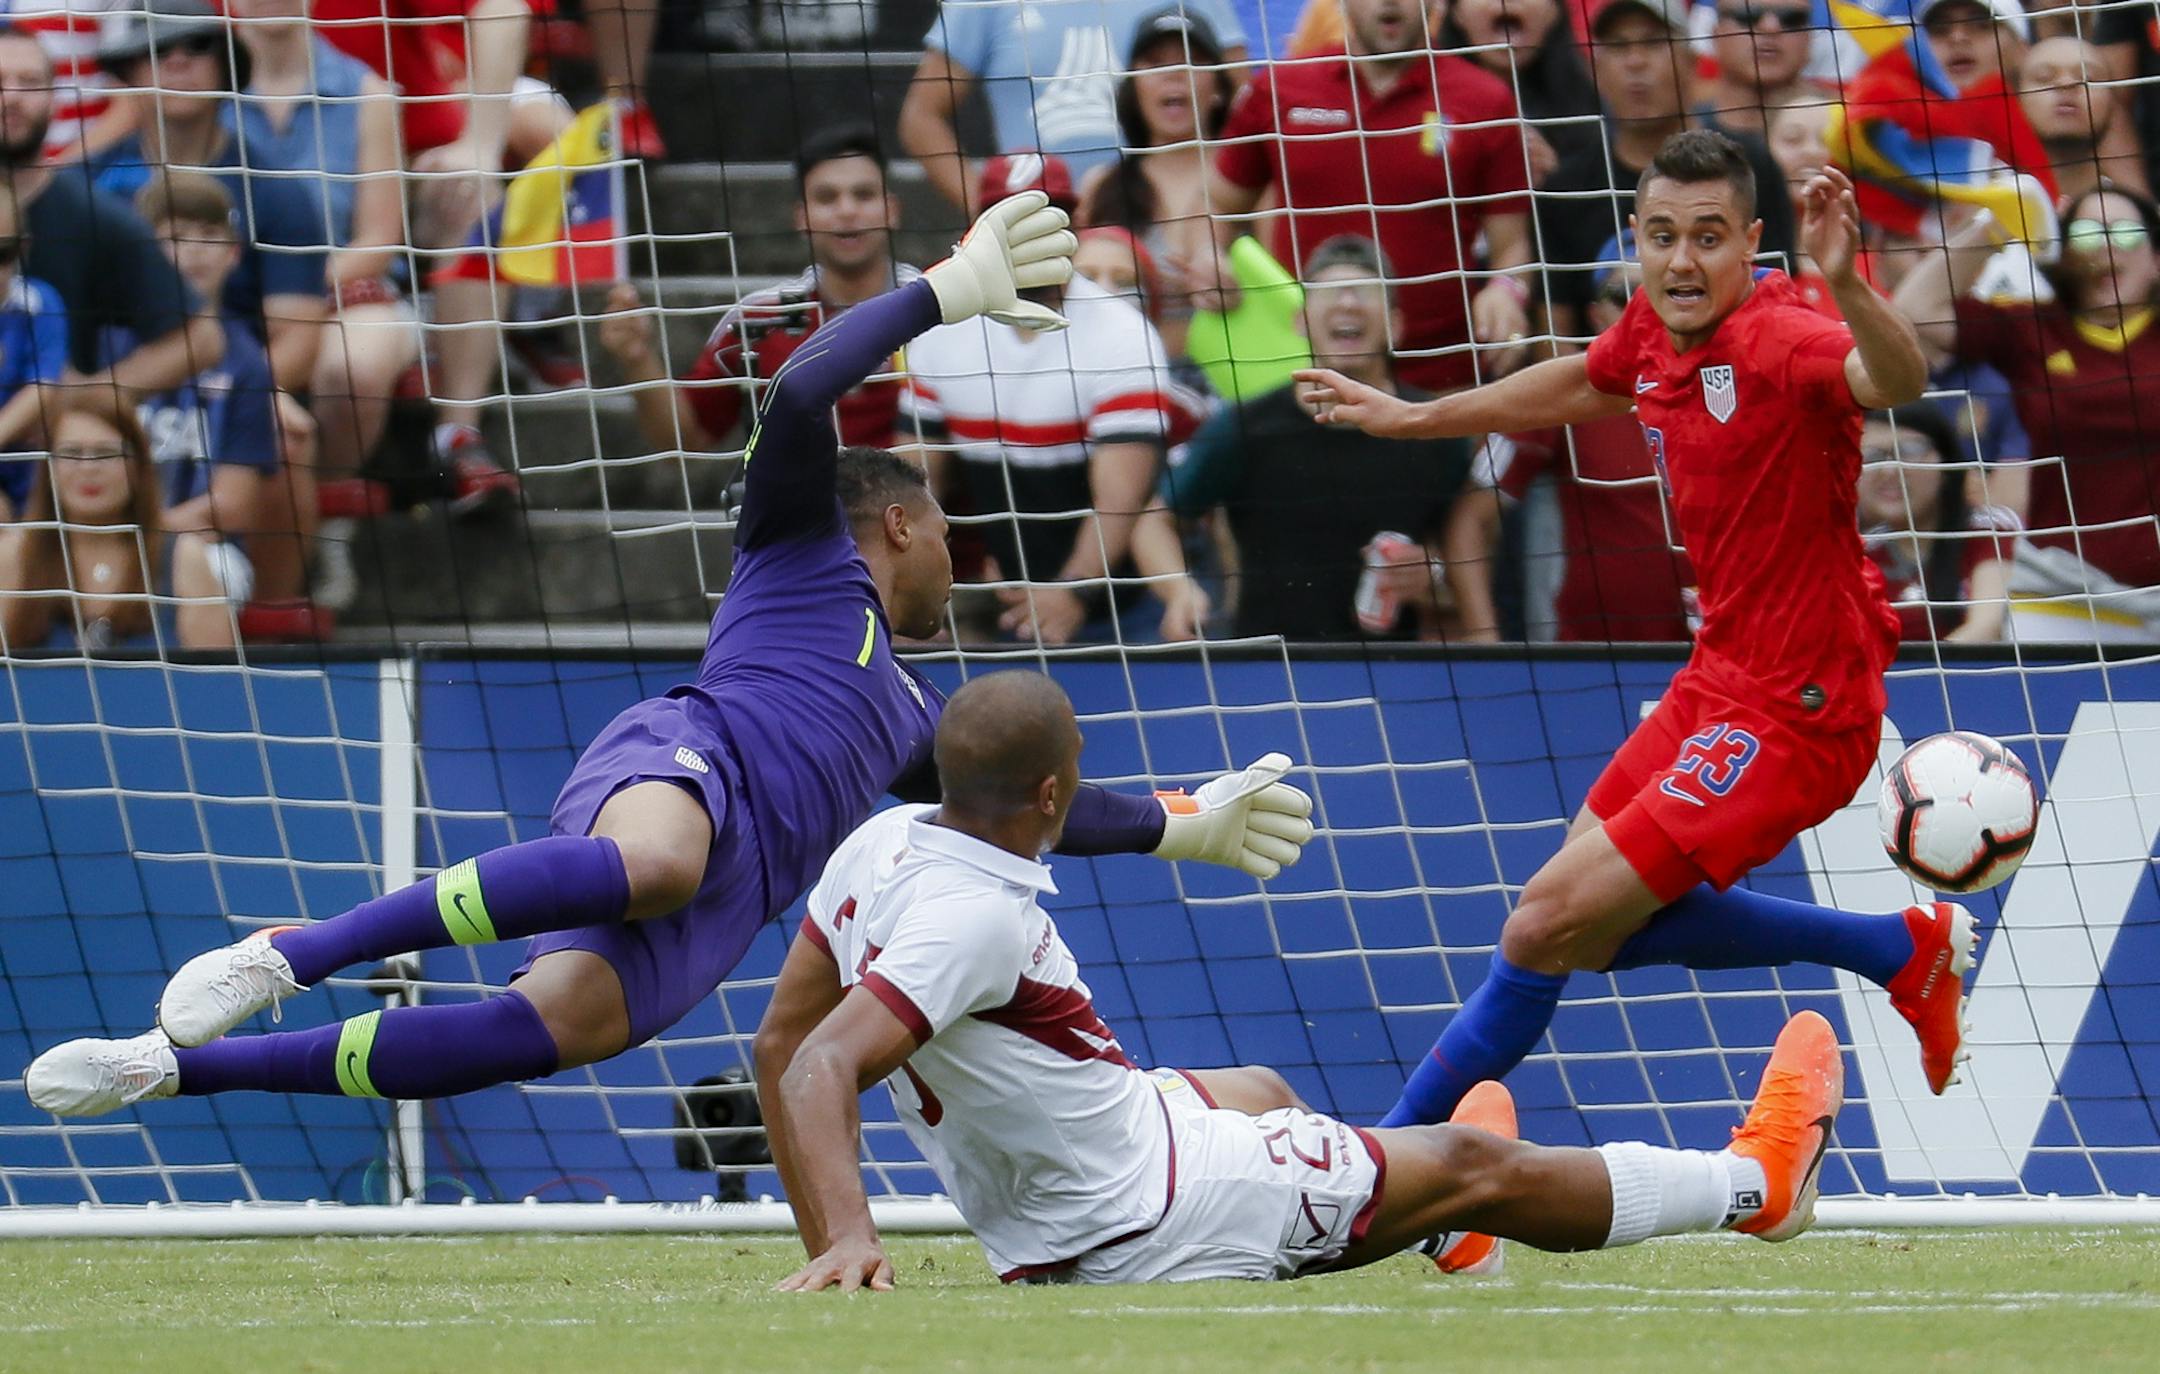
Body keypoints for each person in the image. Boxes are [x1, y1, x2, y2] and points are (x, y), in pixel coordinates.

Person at [25, 194, 1317, 1119]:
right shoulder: (798, 544)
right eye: (940, 534)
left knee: (558, 1029)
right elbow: (803, 396)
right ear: (902, 520)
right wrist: (945, 290)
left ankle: (174, 1067)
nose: (952, 557)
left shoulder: (913, 708)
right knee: (657, 859)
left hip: (738, 878)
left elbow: (1021, 804)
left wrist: (1175, 822)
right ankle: (291, 953)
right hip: (681, 767)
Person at [1294, 131, 1974, 1129]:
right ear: (1637, 241)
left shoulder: (1787, 337)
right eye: (1661, 236)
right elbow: (1583, 379)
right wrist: (1405, 417)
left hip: (1803, 707)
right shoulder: (1655, 329)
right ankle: (1896, 949)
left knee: (1540, 927)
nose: (1681, 261)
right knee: (1587, 932)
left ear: (1752, 244)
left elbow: (1896, 380)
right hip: (1720, 675)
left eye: (1707, 237)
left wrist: (1849, 282)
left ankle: (1384, 1166)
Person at [754, 669, 1846, 1291]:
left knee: (1265, 1086)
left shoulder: (882, 843)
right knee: (1477, 1159)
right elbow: (822, 1068)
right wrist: (851, 1242)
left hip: (1088, 1174)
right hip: (1152, 1218)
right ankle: (1755, 1188)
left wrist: (823, 1243)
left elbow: (775, 1049)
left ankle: (1427, 1226)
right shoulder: (976, 920)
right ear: (1051, 794)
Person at [901, 161, 1210, 646]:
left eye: (1047, 219)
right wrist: (907, 594)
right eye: (1010, 222)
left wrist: (1070, 592)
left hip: (1122, 607)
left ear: (1074, 226)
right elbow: (916, 482)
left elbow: (1120, 499)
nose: (1031, 238)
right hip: (1002, 600)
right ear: (979, 229)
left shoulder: (1122, 335)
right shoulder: (939, 327)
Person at [1163, 236, 1490, 640]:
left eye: (1366, 293)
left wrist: (1432, 574)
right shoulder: (1247, 427)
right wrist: (1179, 590)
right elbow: (1154, 519)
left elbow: (1464, 568)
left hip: (1398, 673)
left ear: (1397, 325)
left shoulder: (1435, 428)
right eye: (1330, 292)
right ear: (1300, 321)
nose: (1348, 304)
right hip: (1271, 668)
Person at [1210, 0, 1537, 391]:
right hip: (1304, 376)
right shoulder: (1280, 88)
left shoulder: (1486, 101)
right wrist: (1209, 257)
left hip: (1440, 381)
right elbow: (1215, 207)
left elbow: (1512, 245)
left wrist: (1506, 291)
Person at [1892, 182, 2160, 644]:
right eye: (2087, 235)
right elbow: (1914, 310)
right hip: (2056, 592)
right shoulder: (2032, 328)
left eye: (2128, 233)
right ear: (2064, 254)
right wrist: (2002, 220)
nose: (2108, 246)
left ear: (2157, 257)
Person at [600, 125, 916, 455]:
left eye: (863, 195)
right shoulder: (759, 319)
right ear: (801, 216)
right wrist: (637, 359)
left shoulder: (939, 310)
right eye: (826, 198)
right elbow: (685, 440)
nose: (847, 211)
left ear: (892, 210)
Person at [0, 30, 225, 470]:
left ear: (55, 99)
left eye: (29, 82)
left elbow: (202, 340)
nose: (11, 97)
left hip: (51, 475)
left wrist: (84, 398)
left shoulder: (92, 216)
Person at [88, 0, 332, 394]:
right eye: (157, 49)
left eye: (198, 45)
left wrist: (231, 406)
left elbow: (296, 341)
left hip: (236, 395)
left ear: (225, 66)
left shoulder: (277, 191)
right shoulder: (88, 185)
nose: (178, 62)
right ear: (130, 71)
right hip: (112, 400)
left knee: (291, 436)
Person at [228, 0, 421, 489]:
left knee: (354, 370)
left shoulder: (369, 93)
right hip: (228, 292)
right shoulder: (204, 91)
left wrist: (291, 287)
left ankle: (320, 496)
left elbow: (378, 241)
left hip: (343, 291)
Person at [1535, 0, 1795, 340]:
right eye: (1618, 46)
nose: (1636, 61)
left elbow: (1780, 302)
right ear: (1594, 70)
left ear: (1690, 61)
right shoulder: (1564, 189)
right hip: (1611, 384)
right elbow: (1555, 338)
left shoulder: (1749, 165)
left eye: (1654, 42)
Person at [134, 173, 312, 637]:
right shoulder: (108, 347)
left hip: (204, 547)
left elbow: (232, 507)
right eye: (175, 236)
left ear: (234, 254)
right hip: (103, 538)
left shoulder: (247, 364)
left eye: (209, 235)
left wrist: (144, 533)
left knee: (206, 574)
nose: (193, 249)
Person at [1485, 261, 1695, 642]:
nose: (1639, 309)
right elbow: (1474, 509)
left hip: (1709, 641)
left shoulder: (1721, 389)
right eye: (1622, 295)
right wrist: (1479, 634)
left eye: (1655, 292)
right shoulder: (1567, 395)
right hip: (1596, 648)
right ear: (1597, 315)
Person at [900, 0, 1248, 213]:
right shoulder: (982, 5)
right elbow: (920, 119)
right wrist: (991, 214)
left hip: (1167, 232)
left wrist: (1205, 215)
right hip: (1037, 236)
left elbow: (1246, 104)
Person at [1075, 8, 1238, 360]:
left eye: (1191, 61)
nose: (1174, 74)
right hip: (1128, 376)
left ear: (1219, 90)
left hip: (1240, 376)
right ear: (1133, 86)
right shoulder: (1100, 186)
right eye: (1155, 63)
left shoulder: (1252, 184)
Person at [1856, 404, 2016, 643]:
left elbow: (1987, 627)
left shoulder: (1987, 529)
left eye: (1908, 451)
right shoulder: (1862, 552)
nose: (1890, 469)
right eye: (1872, 456)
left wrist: (1929, 676)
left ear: (1946, 463)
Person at [1438, 0, 1601, 170]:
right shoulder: (1427, 102)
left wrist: (1556, 179)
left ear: (1555, 12)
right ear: (1456, 13)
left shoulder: (1598, 102)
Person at [2016, 34, 2145, 204]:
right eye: (2044, 77)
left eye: (2088, 78)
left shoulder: (2133, 212)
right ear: (2016, 98)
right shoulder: (1987, 200)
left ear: (2113, 103)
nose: (2066, 83)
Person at [1698, 0, 1820, 141]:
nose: (1770, 27)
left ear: (1810, 38)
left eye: (1791, 19)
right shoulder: (1676, 121)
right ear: (1715, 35)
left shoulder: (1843, 121)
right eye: (1748, 16)